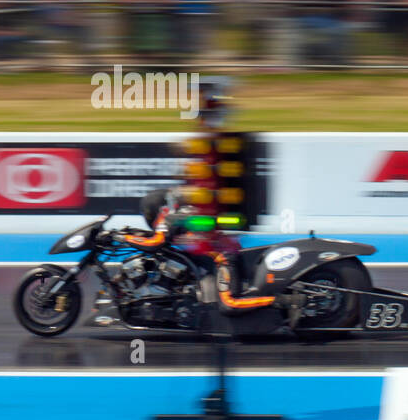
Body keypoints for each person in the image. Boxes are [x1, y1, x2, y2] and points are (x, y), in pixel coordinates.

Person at [122, 78, 300, 321]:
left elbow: (154, 242)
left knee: (229, 304)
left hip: (219, 253)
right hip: (214, 248)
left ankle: (285, 301)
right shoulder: (187, 203)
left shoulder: (170, 217)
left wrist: (118, 237)